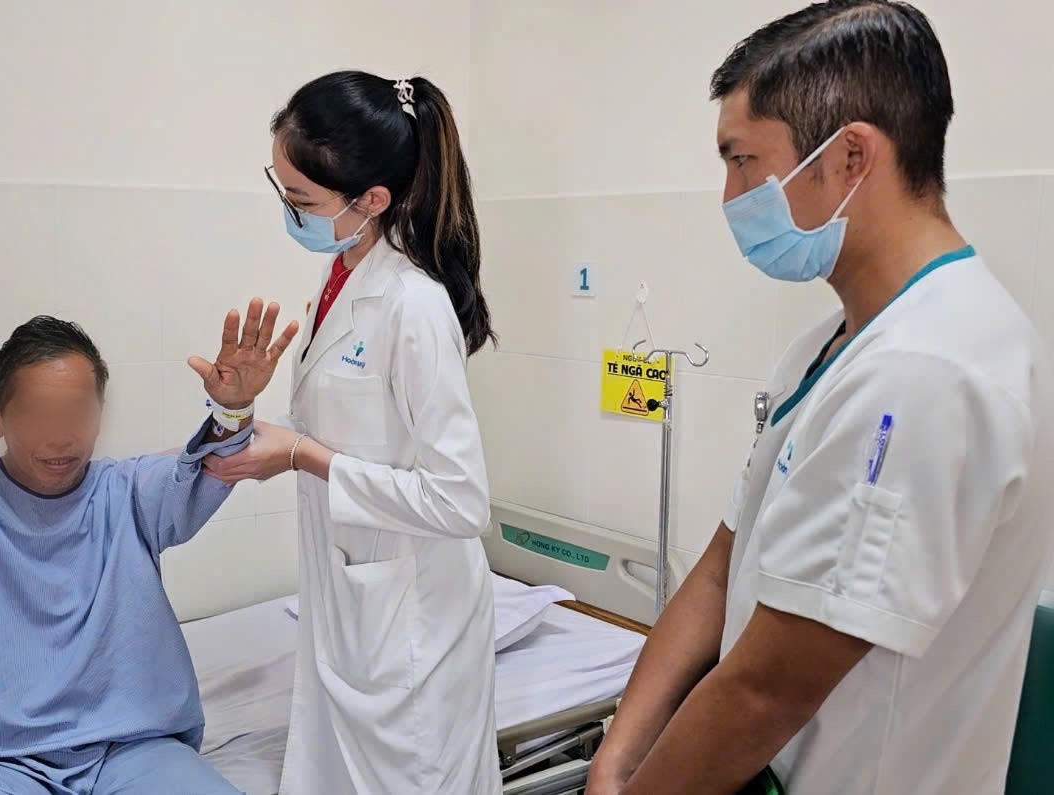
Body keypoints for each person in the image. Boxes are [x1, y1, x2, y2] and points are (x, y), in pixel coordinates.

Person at [586, 2, 1053, 793]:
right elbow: (722, 565)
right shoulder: (834, 344)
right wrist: (615, 759)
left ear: (851, 158)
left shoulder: (928, 371)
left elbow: (766, 691)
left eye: (743, 162)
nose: (730, 195)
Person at [0, 305, 298, 795]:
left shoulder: (126, 491)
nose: (61, 435)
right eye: (39, 414)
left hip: (131, 747)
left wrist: (232, 410)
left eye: (77, 412)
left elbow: (207, 468)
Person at [202, 71, 500, 794]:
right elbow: (337, 432)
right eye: (282, 189)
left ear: (372, 200)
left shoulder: (414, 305)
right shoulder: (343, 275)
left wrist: (303, 455)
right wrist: (237, 410)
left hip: (413, 633)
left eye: (301, 199)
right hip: (356, 608)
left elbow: (462, 502)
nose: (289, 210)